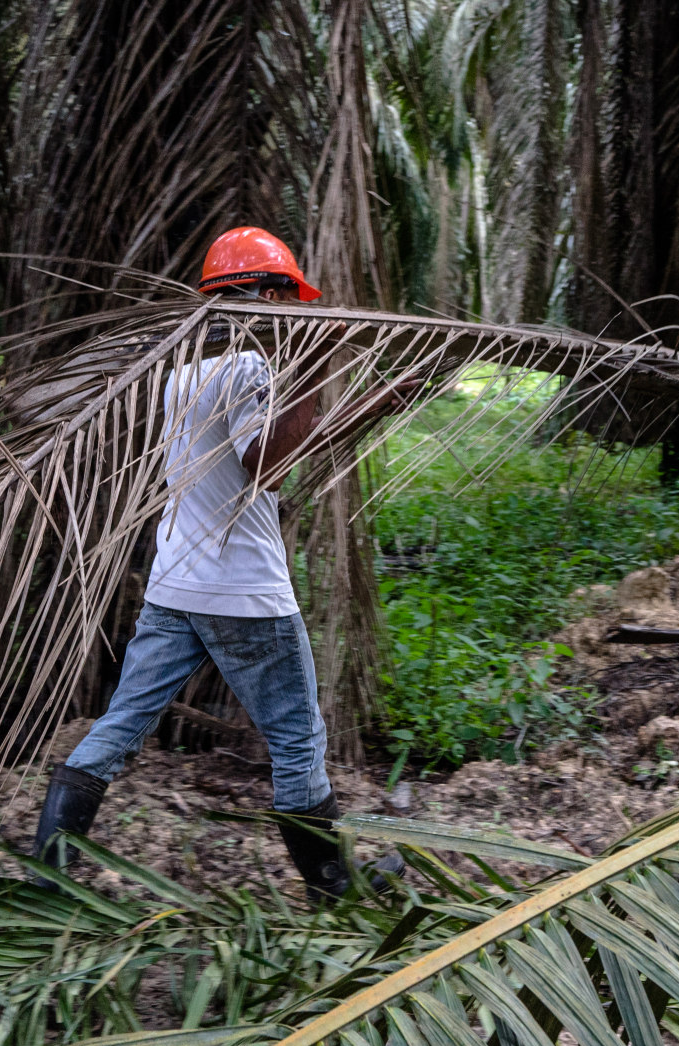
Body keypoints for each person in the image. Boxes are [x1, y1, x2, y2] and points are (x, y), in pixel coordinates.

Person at [30, 226, 407, 900]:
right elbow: (267, 464)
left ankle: (47, 882)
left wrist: (379, 404)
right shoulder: (249, 369)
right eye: (290, 298)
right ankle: (334, 888)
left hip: (176, 584)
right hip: (244, 592)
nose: (297, 314)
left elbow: (280, 441)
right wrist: (319, 365)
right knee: (296, 739)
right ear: (264, 296)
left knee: (118, 727)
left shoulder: (185, 375)